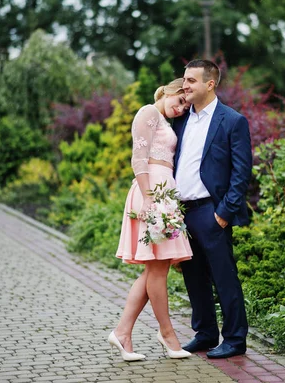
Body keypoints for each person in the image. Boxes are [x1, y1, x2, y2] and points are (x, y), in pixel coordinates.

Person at [109, 78, 193, 362]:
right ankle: (167, 335)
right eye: (180, 100)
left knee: (154, 271)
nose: (181, 108)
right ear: (169, 91)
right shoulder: (148, 112)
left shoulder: (166, 122)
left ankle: (123, 333)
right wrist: (148, 199)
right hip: (152, 193)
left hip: (163, 193)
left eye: (186, 105)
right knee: (157, 271)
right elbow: (138, 158)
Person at [173, 59, 252, 359]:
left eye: (191, 80)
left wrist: (223, 214)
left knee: (224, 277)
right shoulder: (181, 120)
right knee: (193, 277)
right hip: (182, 212)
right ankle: (205, 333)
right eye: (184, 80)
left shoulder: (232, 121)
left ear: (210, 83)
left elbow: (241, 173)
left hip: (212, 212)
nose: (185, 85)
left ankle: (234, 339)